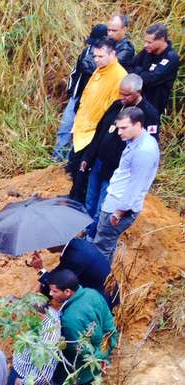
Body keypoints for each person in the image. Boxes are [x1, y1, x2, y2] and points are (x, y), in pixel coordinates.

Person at [27, 270, 117, 385]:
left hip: (71, 368)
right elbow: (109, 327)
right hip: (96, 359)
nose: (51, 294)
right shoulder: (93, 294)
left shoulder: (69, 319)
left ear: (67, 292)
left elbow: (81, 352)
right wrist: (104, 354)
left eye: (54, 291)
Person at [77, 74, 160, 238]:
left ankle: (93, 237)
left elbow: (150, 143)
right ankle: (86, 231)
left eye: (126, 95)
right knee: (90, 200)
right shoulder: (116, 105)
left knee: (103, 205)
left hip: (117, 168)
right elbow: (100, 132)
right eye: (120, 93)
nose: (122, 97)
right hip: (99, 161)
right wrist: (88, 157)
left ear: (138, 92)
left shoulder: (148, 113)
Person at [94, 106, 160, 263]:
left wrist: (118, 213)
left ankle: (97, 281)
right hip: (115, 201)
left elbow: (135, 186)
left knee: (101, 248)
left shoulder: (144, 151)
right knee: (106, 245)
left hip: (118, 207)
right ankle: (104, 276)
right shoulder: (138, 141)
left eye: (124, 128)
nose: (119, 132)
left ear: (138, 125)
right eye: (118, 128)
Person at [69, 38, 127, 177]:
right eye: (94, 56)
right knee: (73, 168)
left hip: (95, 133)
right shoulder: (99, 70)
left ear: (112, 54)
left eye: (101, 56)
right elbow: (87, 95)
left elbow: (113, 111)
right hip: (83, 126)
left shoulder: (120, 76)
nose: (96, 59)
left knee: (82, 171)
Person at [52, 24, 109, 162]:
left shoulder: (109, 57)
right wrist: (72, 92)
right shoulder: (85, 52)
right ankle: (56, 161)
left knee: (83, 133)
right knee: (65, 128)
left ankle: (72, 163)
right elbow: (75, 73)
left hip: (93, 102)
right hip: (77, 96)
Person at [29, 237, 112, 305]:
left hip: (103, 300)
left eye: (49, 243)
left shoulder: (74, 258)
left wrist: (39, 268)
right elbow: (59, 271)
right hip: (104, 288)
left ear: (58, 242)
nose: (46, 247)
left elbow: (56, 284)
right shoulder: (76, 243)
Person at [131, 23, 181, 116]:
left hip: (153, 106)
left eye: (149, 42)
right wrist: (143, 72)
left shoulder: (171, 57)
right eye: (145, 41)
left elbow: (150, 79)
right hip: (137, 100)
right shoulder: (147, 51)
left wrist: (139, 71)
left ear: (162, 39)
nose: (145, 45)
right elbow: (130, 67)